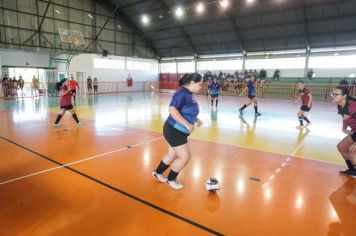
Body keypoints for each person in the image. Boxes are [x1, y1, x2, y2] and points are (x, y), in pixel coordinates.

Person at [152, 73, 203, 190]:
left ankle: (157, 173)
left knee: (172, 154)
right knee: (185, 157)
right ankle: (171, 179)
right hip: (174, 130)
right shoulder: (182, 93)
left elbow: (185, 110)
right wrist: (187, 124)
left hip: (177, 130)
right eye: (199, 84)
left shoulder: (189, 94)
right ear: (192, 83)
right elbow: (172, 109)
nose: (201, 87)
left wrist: (195, 119)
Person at [331, 86, 356, 177]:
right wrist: (344, 128)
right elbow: (345, 117)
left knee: (353, 155)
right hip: (354, 131)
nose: (333, 96)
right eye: (332, 94)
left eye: (336, 94)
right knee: (341, 147)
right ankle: (352, 170)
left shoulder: (353, 107)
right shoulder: (340, 105)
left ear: (344, 96)